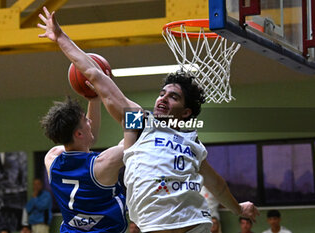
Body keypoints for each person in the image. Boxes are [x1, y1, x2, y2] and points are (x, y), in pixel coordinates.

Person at [38, 6, 259, 233]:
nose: (163, 99)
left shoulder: (193, 144)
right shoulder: (140, 124)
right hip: (156, 227)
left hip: (196, 224)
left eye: (173, 97)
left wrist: (238, 208)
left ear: (185, 113)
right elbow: (95, 75)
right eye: (161, 93)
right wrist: (60, 38)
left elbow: (217, 185)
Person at [40, 96, 127, 232]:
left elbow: (85, 142)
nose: (90, 121)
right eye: (86, 120)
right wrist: (135, 111)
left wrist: (94, 100)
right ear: (79, 133)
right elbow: (135, 137)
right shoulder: (103, 164)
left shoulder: (51, 158)